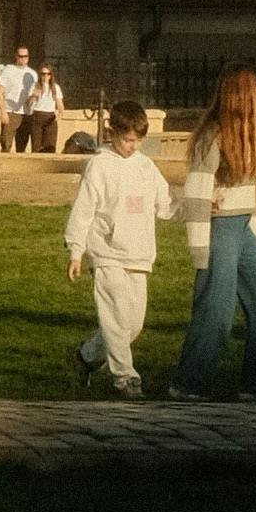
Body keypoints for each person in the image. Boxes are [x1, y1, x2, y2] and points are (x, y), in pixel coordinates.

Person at [175, 65, 256, 399]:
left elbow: (248, 195)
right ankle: (187, 385)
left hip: (243, 228)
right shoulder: (212, 136)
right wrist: (200, 251)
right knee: (217, 312)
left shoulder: (250, 134)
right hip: (220, 230)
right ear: (241, 94)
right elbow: (197, 193)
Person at [62, 97, 165, 393]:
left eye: (138, 141)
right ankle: (125, 377)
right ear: (112, 133)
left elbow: (166, 202)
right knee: (116, 318)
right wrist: (76, 250)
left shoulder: (146, 167)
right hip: (106, 252)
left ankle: (86, 357)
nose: (133, 146)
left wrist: (197, 208)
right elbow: (83, 210)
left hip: (139, 253)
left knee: (132, 324)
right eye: (128, 140)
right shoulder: (99, 165)